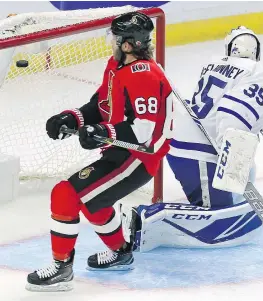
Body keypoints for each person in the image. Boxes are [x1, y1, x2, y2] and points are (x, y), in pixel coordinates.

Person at [26, 11, 173, 292]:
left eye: (116, 38)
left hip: (138, 159)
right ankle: (120, 252)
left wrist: (105, 133)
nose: (112, 42)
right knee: (97, 202)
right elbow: (102, 105)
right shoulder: (117, 66)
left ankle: (61, 269)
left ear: (128, 44)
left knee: (66, 194)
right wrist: (73, 118)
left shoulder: (144, 75)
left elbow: (143, 132)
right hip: (120, 153)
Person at [123, 26, 263, 252]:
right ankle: (148, 218)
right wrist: (230, 161)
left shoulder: (216, 63)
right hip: (199, 153)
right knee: (218, 218)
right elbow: (231, 116)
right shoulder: (259, 75)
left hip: (184, 141)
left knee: (247, 170)